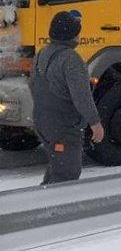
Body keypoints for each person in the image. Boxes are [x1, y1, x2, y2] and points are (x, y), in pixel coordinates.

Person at [30, 11, 104, 185]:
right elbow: (81, 96)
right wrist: (95, 123)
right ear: (73, 34)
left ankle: (40, 203)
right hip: (63, 125)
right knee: (67, 174)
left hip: (43, 122)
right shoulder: (71, 59)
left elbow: (33, 85)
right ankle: (50, 209)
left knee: (58, 167)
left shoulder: (41, 54)